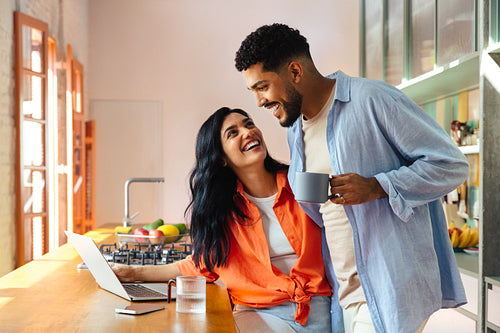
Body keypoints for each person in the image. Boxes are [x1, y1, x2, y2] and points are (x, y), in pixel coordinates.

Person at [234, 23, 469, 333]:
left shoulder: (371, 99)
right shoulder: (296, 131)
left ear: (294, 71)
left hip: (388, 289)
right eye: (253, 91)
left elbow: (451, 164)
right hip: (343, 293)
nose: (259, 101)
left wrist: (378, 186)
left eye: (262, 86)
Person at [112, 107, 333, 333]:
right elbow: (200, 264)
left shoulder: (300, 184)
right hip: (259, 313)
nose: (247, 132)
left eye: (248, 124)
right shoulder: (222, 211)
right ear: (221, 159)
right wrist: (132, 273)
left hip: (315, 309)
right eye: (232, 133)